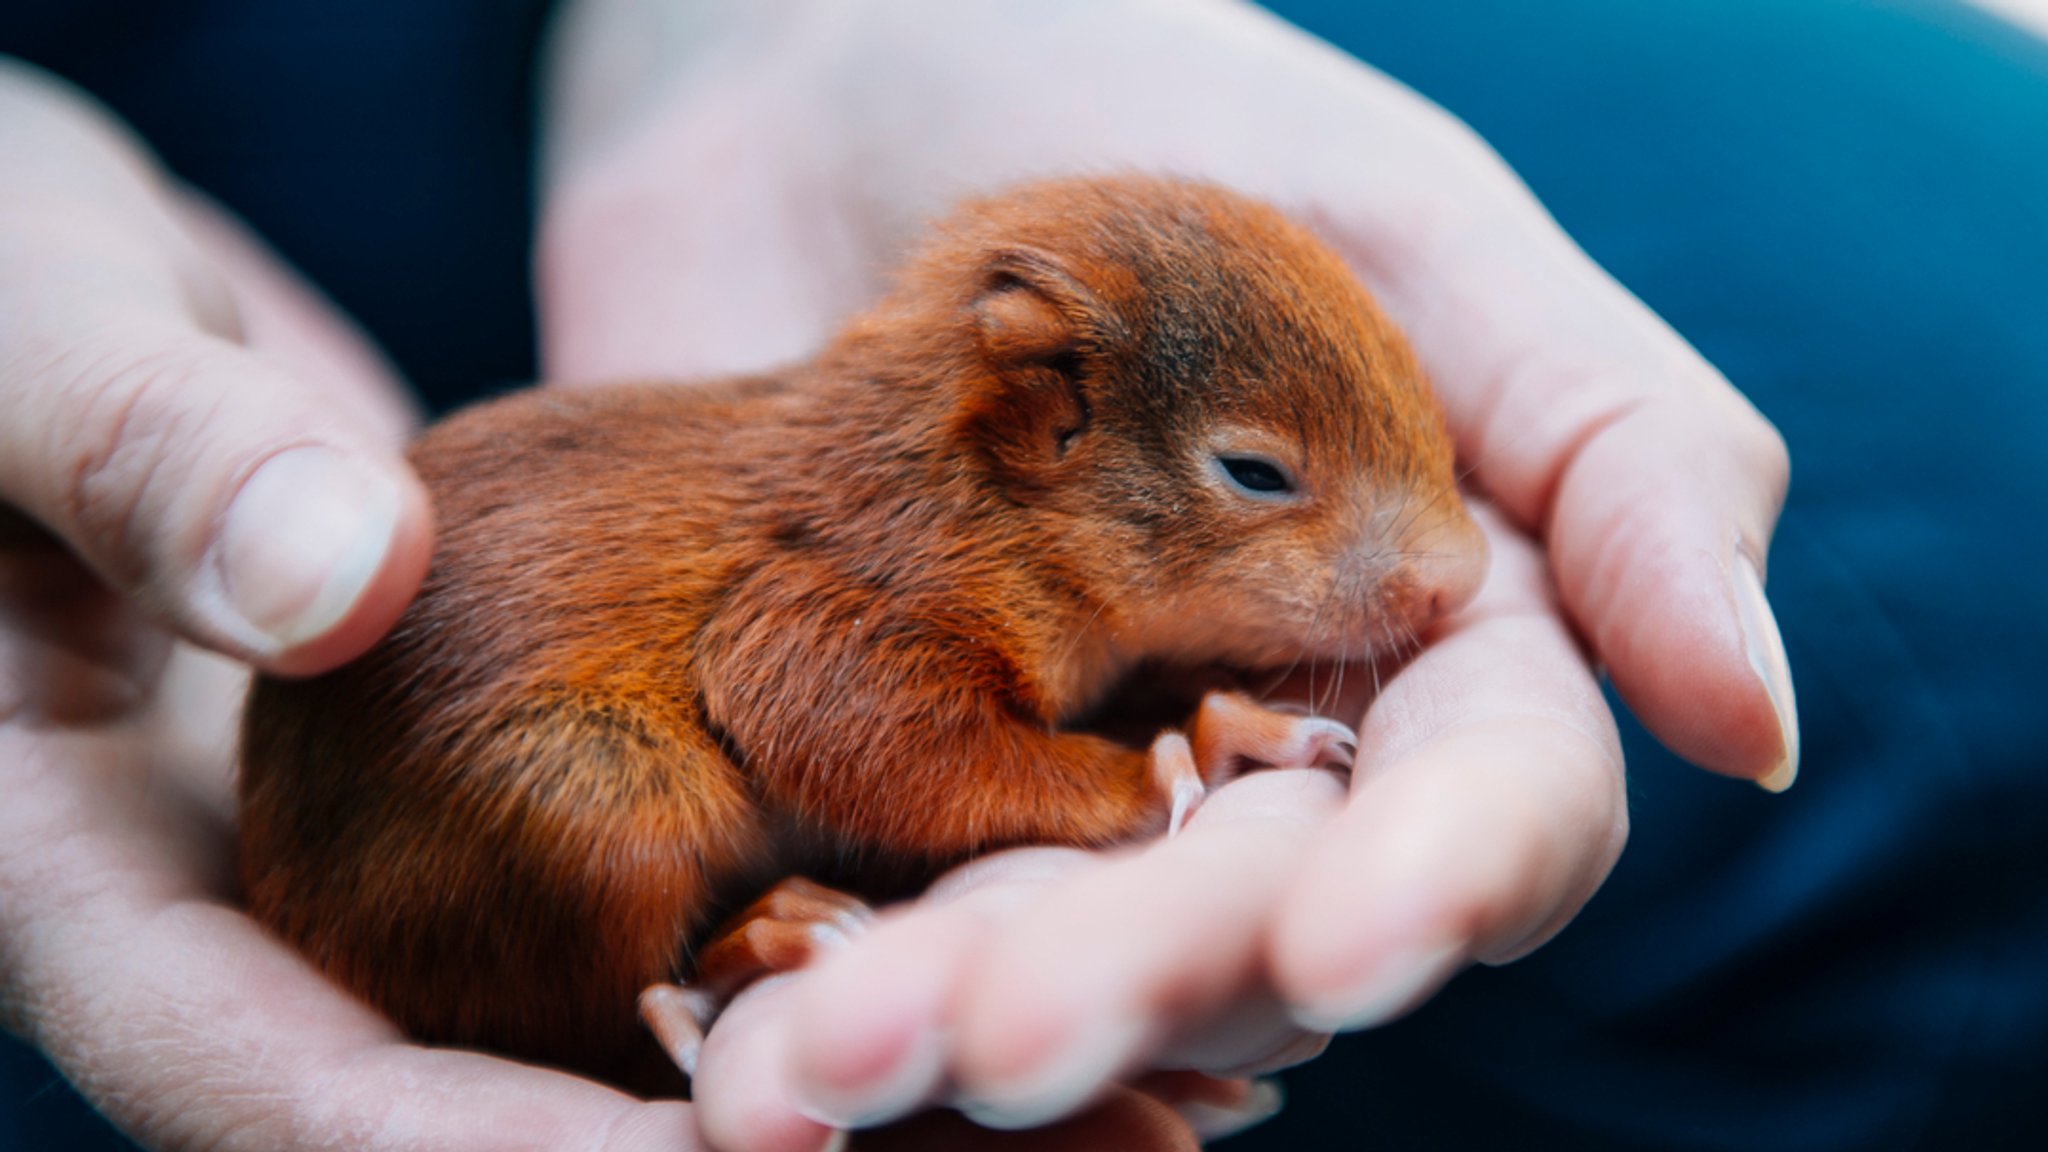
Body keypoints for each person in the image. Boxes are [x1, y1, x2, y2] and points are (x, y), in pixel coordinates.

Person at [3, 0, 2037, 1148]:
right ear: (1036, 419)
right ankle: (660, 989)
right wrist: (1106, 782)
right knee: (595, 807)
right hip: (477, 779)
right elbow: (843, 719)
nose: (1418, 566)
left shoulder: (1051, 556)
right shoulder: (910, 560)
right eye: (1263, 483)